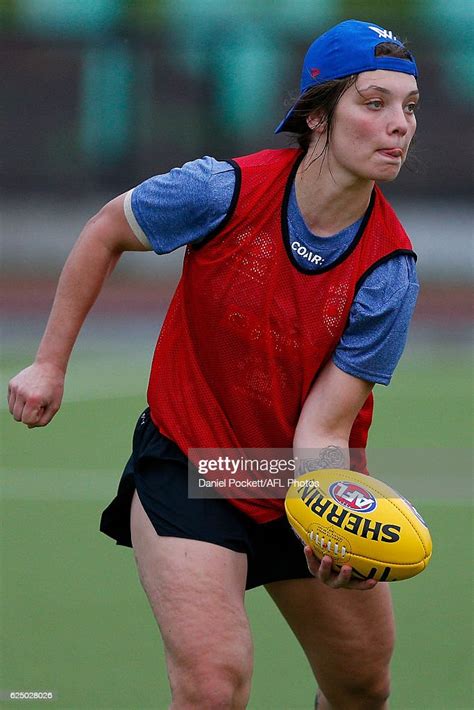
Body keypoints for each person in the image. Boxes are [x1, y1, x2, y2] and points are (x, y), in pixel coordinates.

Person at [8, 19, 420, 710]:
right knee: (212, 685)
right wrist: (50, 363)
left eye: (409, 107)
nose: (398, 125)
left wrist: (327, 520)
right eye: (374, 103)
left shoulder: (390, 269)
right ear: (317, 117)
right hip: (192, 464)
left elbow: (325, 424)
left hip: (292, 473)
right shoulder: (220, 190)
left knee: (362, 687)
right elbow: (108, 226)